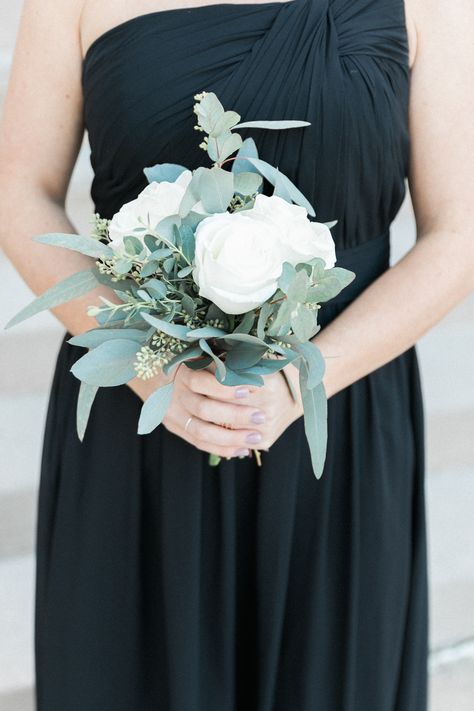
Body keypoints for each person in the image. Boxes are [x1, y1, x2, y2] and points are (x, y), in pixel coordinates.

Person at [0, 0, 473, 709]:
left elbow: (460, 234)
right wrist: (151, 366)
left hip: (335, 420)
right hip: (141, 421)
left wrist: (298, 383)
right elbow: (18, 191)